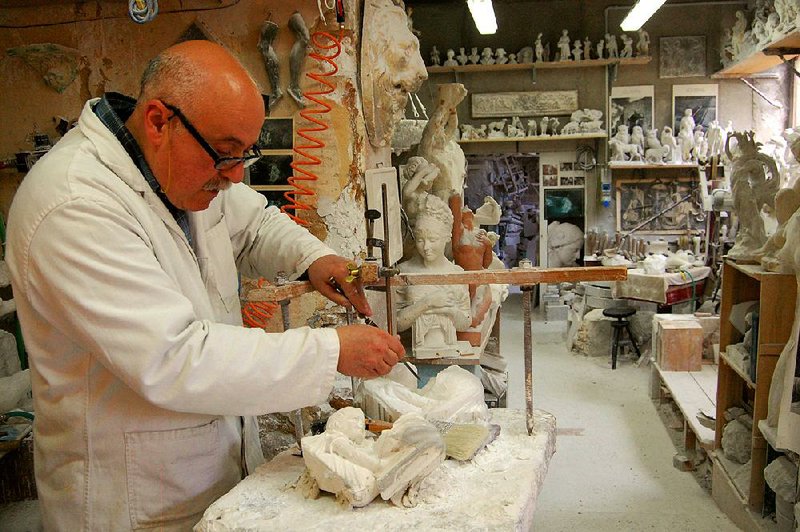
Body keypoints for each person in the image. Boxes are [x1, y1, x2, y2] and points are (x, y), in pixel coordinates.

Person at [5, 40, 405, 530]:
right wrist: (330, 351)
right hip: (134, 500)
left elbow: (254, 222)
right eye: (225, 155)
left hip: (209, 471)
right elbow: (174, 357)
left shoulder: (180, 166)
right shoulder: (73, 205)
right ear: (157, 121)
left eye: (245, 155)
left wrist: (316, 259)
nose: (235, 176)